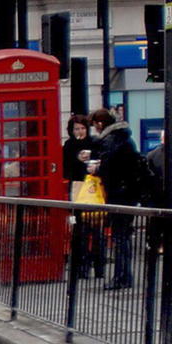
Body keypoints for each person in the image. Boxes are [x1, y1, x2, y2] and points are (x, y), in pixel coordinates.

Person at [88, 107, 149, 289]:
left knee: (120, 237)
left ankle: (122, 277)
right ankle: (124, 275)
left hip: (119, 194)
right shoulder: (123, 138)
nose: (94, 129)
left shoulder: (112, 140)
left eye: (94, 125)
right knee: (123, 236)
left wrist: (96, 168)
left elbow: (109, 168)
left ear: (100, 123)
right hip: (128, 193)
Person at [63, 115, 104, 278]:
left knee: (97, 230)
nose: (79, 132)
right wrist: (77, 159)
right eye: (76, 129)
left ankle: (99, 267)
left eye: (82, 128)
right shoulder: (69, 145)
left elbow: (102, 160)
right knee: (80, 230)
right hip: (78, 187)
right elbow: (65, 169)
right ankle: (82, 267)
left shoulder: (94, 143)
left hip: (93, 187)